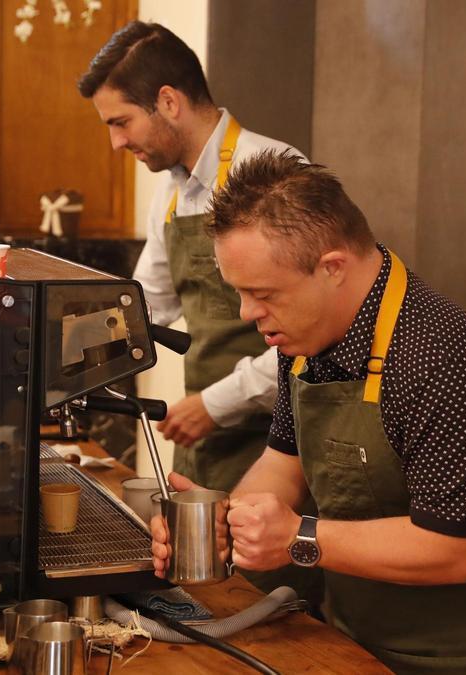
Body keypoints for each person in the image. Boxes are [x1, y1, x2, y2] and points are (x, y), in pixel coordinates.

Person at [150, 150, 466, 674]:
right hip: (355, 640)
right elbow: (285, 463)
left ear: (332, 268)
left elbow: (455, 552)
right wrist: (223, 523)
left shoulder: (448, 359)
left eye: (262, 294)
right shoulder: (302, 343)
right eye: (240, 293)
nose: (247, 314)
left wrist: (297, 539)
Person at [77, 21, 323, 604]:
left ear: (168, 101)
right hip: (205, 443)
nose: (116, 143)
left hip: (272, 443)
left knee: (268, 613)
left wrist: (215, 403)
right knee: (201, 602)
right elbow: (143, 305)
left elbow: (314, 333)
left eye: (120, 123)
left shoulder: (274, 173)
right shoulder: (176, 191)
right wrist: (64, 352)